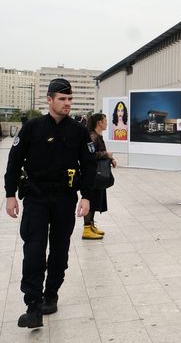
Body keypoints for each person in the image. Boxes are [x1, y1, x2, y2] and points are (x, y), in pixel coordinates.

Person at [4, 78, 95, 328]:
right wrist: (10, 194)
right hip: (35, 198)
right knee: (33, 250)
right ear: (50, 100)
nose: (67, 104)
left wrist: (86, 196)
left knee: (59, 250)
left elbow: (88, 166)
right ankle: (33, 306)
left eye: (70, 99)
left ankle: (50, 295)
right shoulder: (32, 128)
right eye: (62, 99)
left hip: (65, 199)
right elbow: (13, 162)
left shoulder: (78, 131)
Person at [83, 113, 116, 240]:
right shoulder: (92, 136)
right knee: (90, 200)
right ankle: (86, 229)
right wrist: (106, 154)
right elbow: (89, 155)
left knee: (95, 199)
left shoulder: (97, 136)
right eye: (105, 121)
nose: (107, 123)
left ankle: (91, 225)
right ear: (99, 123)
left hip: (97, 175)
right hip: (92, 175)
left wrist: (110, 158)